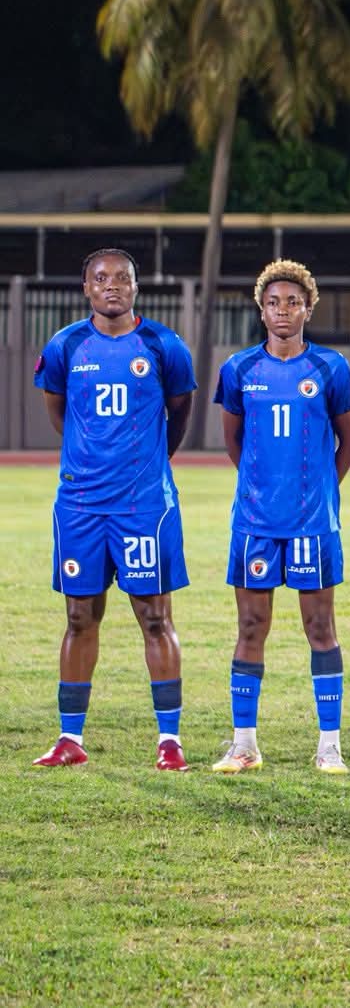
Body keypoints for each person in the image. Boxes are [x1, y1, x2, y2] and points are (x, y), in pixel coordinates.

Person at [33, 249, 198, 771]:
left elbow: (180, 413)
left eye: (121, 279)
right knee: (79, 616)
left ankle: (169, 741)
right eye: (100, 279)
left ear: (135, 286)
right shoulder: (65, 346)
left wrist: (145, 464)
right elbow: (60, 411)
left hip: (143, 505)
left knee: (154, 615)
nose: (112, 287)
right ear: (85, 287)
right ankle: (69, 739)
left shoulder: (163, 346)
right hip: (81, 505)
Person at [210, 261, 350, 774]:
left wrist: (316, 490)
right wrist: (263, 487)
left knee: (320, 627)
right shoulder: (238, 370)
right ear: (261, 309)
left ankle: (329, 745)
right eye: (273, 302)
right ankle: (245, 744)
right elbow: (234, 440)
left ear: (308, 308)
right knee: (251, 626)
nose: (283, 310)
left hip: (312, 524)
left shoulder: (330, 369)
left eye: (292, 302)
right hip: (255, 523)